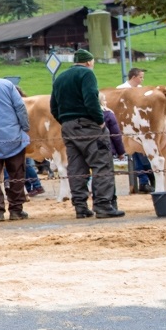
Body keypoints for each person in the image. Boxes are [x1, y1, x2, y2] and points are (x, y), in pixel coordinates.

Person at [50, 49, 124, 218]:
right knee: (102, 164)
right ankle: (103, 205)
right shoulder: (86, 74)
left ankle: (80, 207)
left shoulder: (60, 77)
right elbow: (91, 98)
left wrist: (65, 121)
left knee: (76, 168)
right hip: (88, 125)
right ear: (89, 62)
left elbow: (53, 106)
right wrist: (99, 120)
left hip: (68, 126)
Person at [0, 75, 30, 221]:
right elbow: (20, 107)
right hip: (13, 137)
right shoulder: (7, 85)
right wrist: (25, 127)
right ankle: (16, 210)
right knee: (17, 175)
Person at [116, 68, 154, 193]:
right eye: (140, 77)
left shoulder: (141, 90)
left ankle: (145, 180)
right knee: (137, 154)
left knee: (142, 154)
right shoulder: (121, 89)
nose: (142, 79)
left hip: (141, 127)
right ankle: (145, 180)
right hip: (128, 127)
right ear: (133, 77)